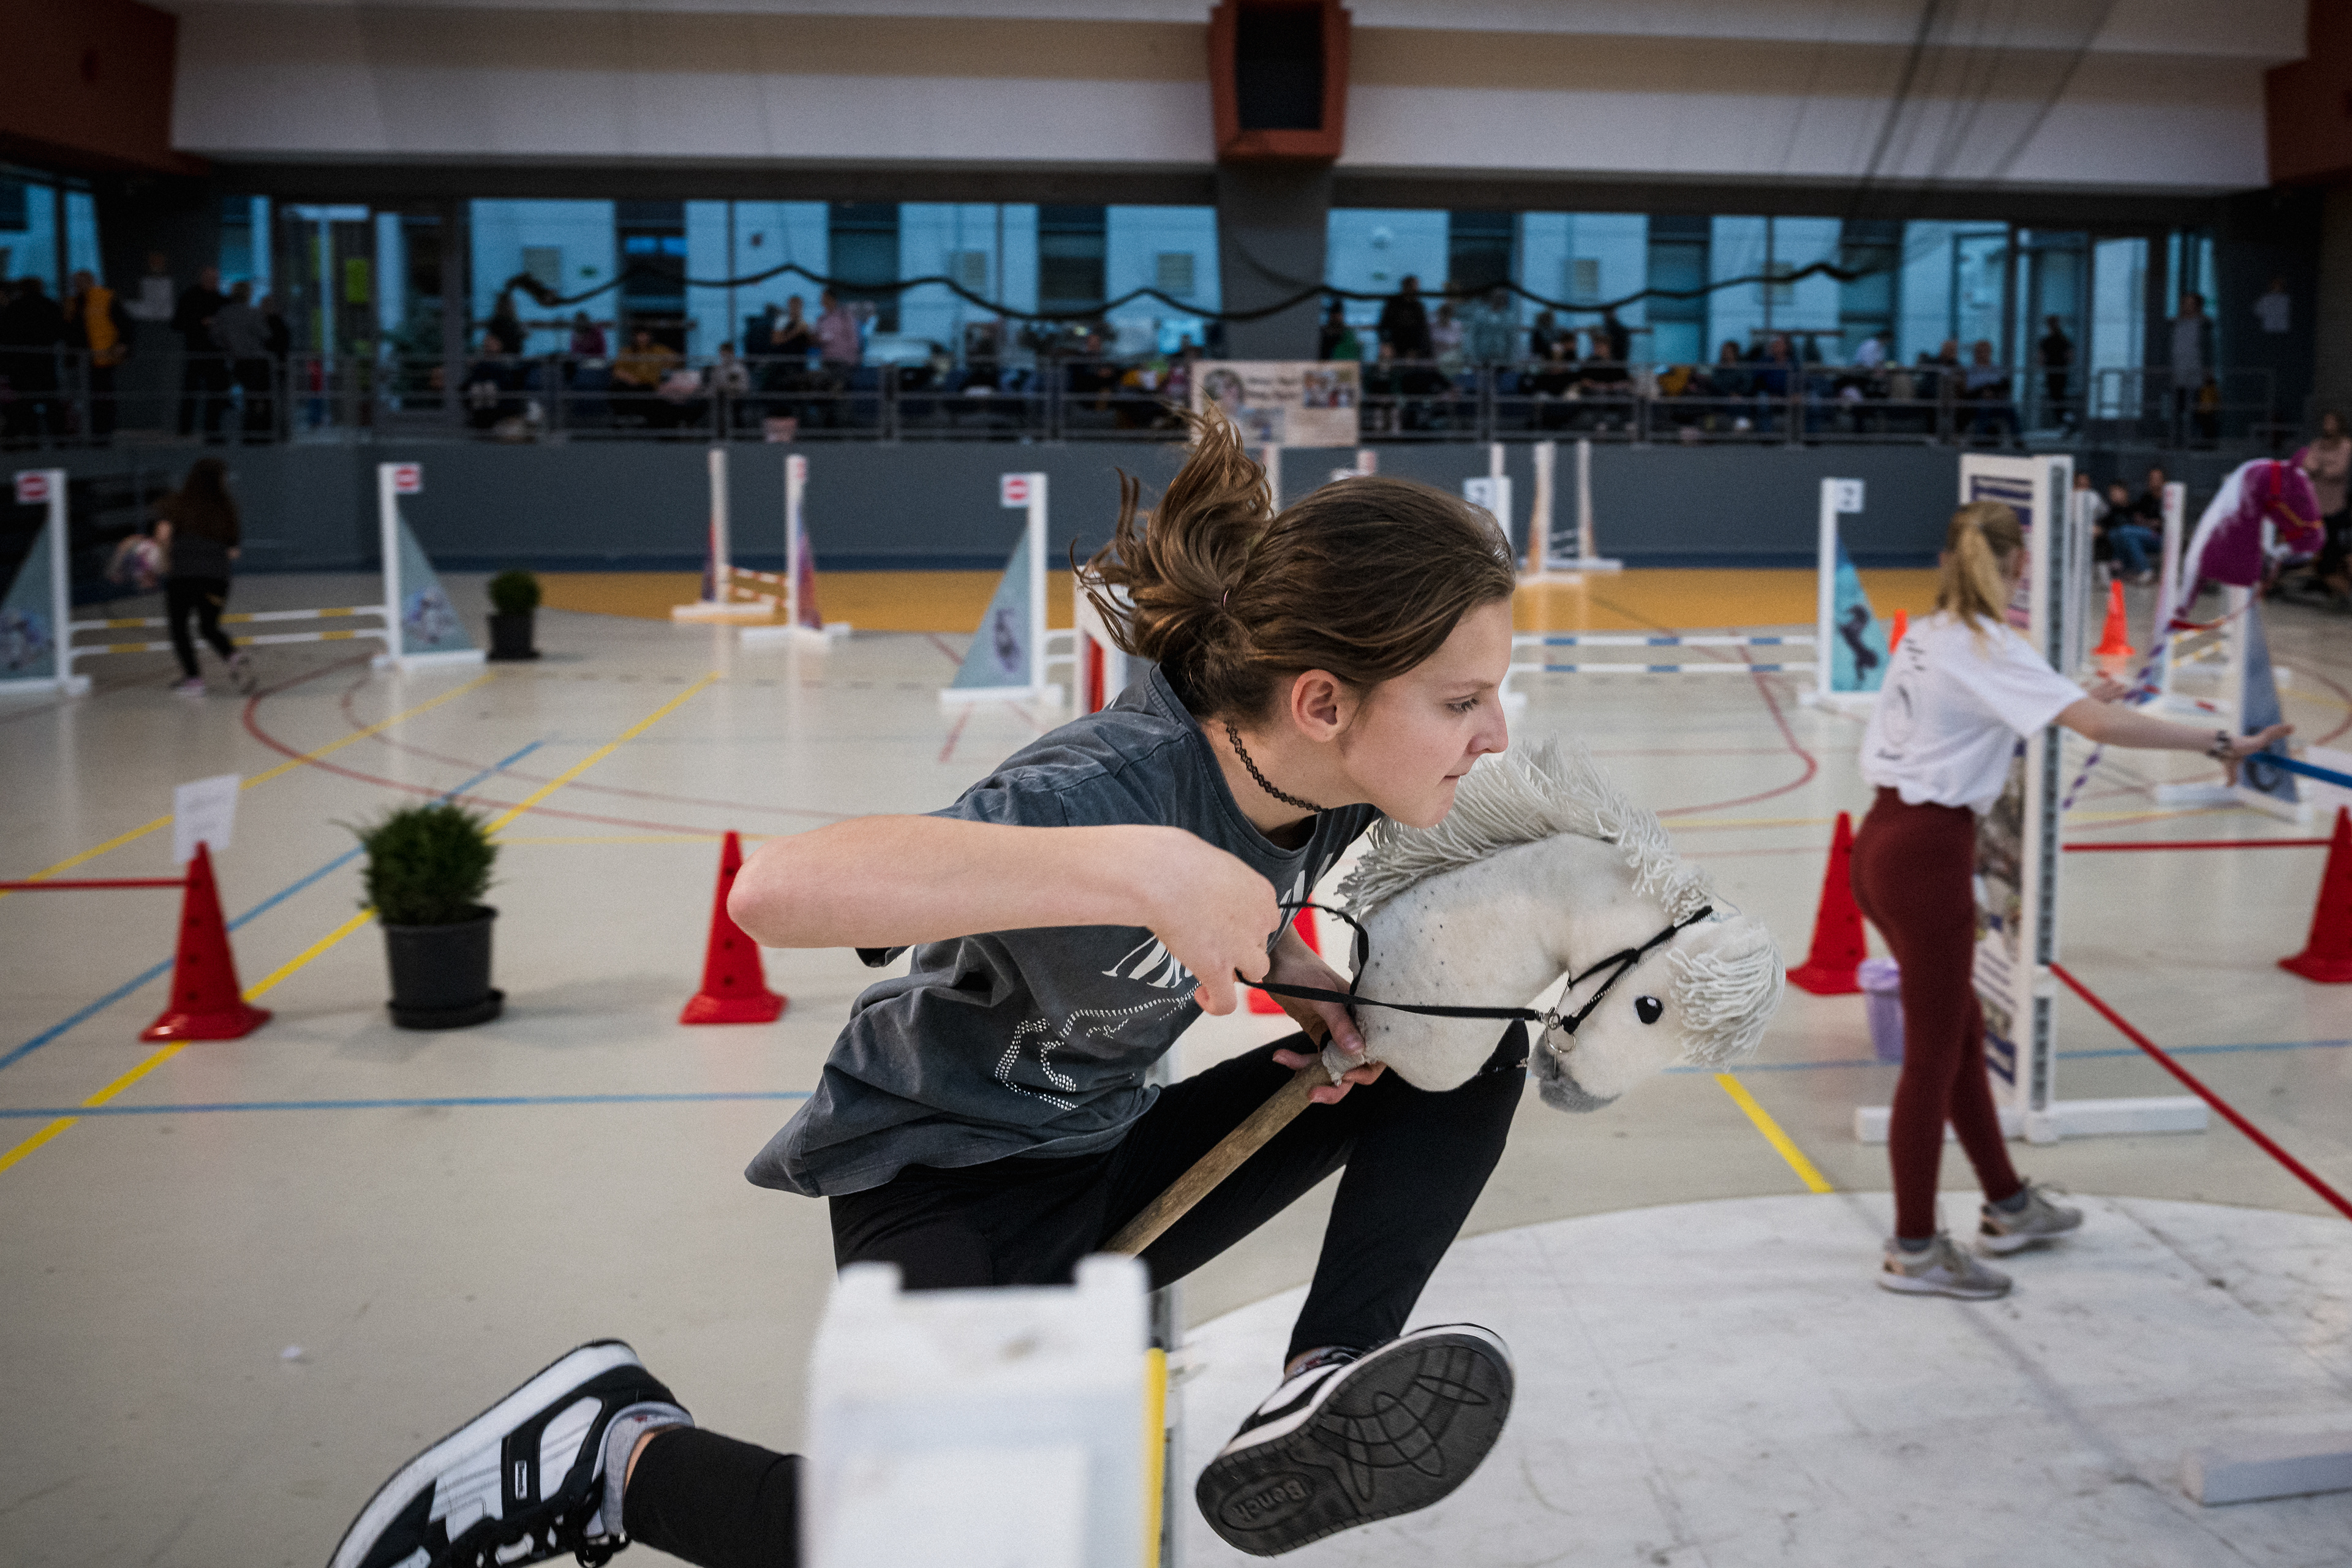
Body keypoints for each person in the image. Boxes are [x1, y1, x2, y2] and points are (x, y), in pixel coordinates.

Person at [327, 410, 1529, 1568]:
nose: (1494, 735)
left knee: (1468, 1037)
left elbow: (1271, 888)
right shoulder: (1101, 788)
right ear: (1322, 701)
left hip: (1097, 1155)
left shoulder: (1331, 784)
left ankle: (1323, 1373)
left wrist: (1292, 962)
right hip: (938, 1174)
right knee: (930, 1543)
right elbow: (775, 894)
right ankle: (611, 1453)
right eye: (1462, 702)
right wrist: (1143, 868)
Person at [1855, 501, 2288, 1299]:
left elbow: (1978, 718)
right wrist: (2218, 740)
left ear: (1949, 560)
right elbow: (2102, 727)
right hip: (1926, 857)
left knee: (1959, 1031)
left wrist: (2069, 695)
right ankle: (1914, 1248)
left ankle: (2008, 1204)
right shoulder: (1992, 646)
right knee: (1933, 1058)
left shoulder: (1930, 634)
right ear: (2020, 569)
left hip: (1880, 846)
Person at [153, 458, 254, 695]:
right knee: (208, 626)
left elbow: (163, 535)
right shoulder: (227, 508)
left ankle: (194, 680)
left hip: (183, 575)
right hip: (216, 578)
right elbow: (233, 552)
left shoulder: (177, 503)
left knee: (179, 627)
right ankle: (232, 655)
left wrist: (164, 562)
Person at [0, 275, 68, 445]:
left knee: (25, 402)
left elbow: (6, 334)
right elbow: (60, 331)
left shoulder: (15, 308)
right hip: (45, 362)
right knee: (51, 401)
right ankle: (60, 440)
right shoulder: (50, 306)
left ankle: (32, 441)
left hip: (21, 363)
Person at [64, 270, 132, 440]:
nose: (78, 286)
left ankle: (102, 435)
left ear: (91, 281)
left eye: (81, 282)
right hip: (80, 360)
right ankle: (88, 433)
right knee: (85, 398)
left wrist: (122, 344)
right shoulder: (73, 303)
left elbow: (125, 323)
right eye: (76, 283)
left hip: (102, 357)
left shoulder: (105, 298)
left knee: (102, 398)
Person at [211, 281, 274, 442]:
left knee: (220, 397)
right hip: (254, 360)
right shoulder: (253, 313)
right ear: (248, 295)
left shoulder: (223, 313)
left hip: (232, 360)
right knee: (254, 398)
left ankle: (216, 435)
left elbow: (215, 337)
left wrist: (230, 348)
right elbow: (266, 335)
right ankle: (252, 434)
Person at [2297, 410, 2350, 600]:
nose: (2328, 426)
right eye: (2326, 422)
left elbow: (2337, 472)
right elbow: (2306, 466)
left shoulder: (2346, 446)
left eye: (2332, 422)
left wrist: (2319, 466)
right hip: (2317, 510)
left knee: (2339, 555)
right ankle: (2333, 590)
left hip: (2336, 510)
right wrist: (2321, 466)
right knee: (2321, 556)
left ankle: (2342, 590)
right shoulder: (2316, 445)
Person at [172, 265, 228, 439]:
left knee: (216, 393)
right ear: (202, 278)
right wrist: (199, 322)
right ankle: (185, 429)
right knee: (190, 391)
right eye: (210, 279)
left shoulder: (222, 301)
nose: (213, 282)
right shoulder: (190, 297)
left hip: (216, 354)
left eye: (215, 279)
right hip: (195, 352)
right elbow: (177, 323)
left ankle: (212, 430)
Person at [2169, 292, 2210, 437]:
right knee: (2176, 407)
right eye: (2185, 304)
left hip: (2195, 372)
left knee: (2195, 407)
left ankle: (2195, 438)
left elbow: (2208, 348)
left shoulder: (2204, 325)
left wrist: (2208, 370)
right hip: (2177, 371)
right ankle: (2176, 438)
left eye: (2191, 304)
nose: (2188, 307)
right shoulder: (2175, 324)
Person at [1376, 274, 1432, 363]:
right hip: (1394, 343)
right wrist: (1387, 343)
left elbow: (1422, 329)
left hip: (1413, 347)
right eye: (1413, 287)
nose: (1416, 290)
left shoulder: (1418, 307)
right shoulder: (1393, 304)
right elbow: (1383, 326)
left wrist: (1416, 349)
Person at [2037, 315, 2072, 424]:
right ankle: (2066, 420)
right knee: (2060, 396)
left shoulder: (2046, 341)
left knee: (2056, 397)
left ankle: (2066, 420)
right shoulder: (2064, 339)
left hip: (2052, 372)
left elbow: (2041, 359)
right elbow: (2070, 357)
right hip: (2061, 371)